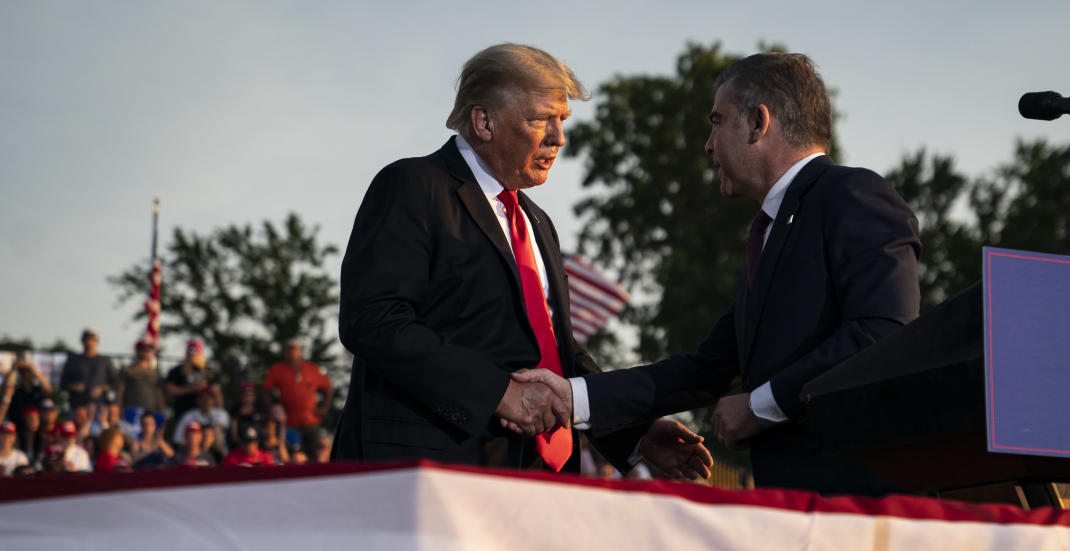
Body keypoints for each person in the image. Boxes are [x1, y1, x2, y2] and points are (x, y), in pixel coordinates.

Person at [518, 52, 920, 495]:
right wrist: (572, 398)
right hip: (794, 507)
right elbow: (705, 370)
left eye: (717, 121)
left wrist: (761, 404)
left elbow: (883, 332)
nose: (709, 144)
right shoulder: (770, 232)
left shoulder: (853, 195)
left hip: (856, 506)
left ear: (757, 123)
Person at [332, 43, 710, 480]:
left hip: (538, 476)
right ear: (483, 121)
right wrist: (497, 394)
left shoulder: (537, 221)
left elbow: (554, 349)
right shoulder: (413, 186)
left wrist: (634, 432)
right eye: (539, 119)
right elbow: (373, 319)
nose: (559, 137)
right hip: (428, 471)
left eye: (562, 120)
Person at [262, 340, 331, 439]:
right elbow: (265, 389)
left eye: (294, 349)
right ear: (284, 352)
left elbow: (328, 387)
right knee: (292, 452)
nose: (291, 353)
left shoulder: (311, 368)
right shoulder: (277, 369)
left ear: (299, 351)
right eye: (288, 350)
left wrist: (324, 407)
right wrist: (272, 407)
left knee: (314, 452)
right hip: (289, 423)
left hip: (311, 421)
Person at [59, 328, 117, 417]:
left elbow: (115, 382)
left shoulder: (105, 361)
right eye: (87, 339)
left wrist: (102, 389)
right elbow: (63, 383)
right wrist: (74, 387)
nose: (89, 342)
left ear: (97, 342)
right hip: (78, 407)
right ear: (82, 341)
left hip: (99, 407)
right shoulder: (73, 360)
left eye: (92, 340)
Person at [164, 339, 217, 423]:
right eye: (191, 351)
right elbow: (169, 389)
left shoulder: (209, 372)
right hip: (183, 412)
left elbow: (217, 392)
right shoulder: (177, 370)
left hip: (205, 414)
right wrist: (192, 389)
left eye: (196, 351)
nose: (193, 354)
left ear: (201, 353)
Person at [117, 336, 164, 425]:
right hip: (130, 411)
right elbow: (120, 392)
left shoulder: (156, 373)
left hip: (150, 413)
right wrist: (120, 410)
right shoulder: (127, 370)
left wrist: (161, 413)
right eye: (143, 349)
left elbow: (159, 394)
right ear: (137, 350)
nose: (145, 352)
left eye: (148, 349)